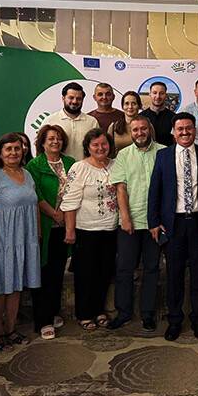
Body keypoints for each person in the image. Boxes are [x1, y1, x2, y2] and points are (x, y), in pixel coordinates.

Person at [148, 112, 198, 341]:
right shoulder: (163, 156)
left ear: (195, 130)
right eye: (180, 129)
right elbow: (155, 190)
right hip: (174, 225)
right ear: (173, 132)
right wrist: (153, 222)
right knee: (174, 276)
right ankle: (175, 321)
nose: (185, 132)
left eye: (189, 128)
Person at [0, 133, 41, 352]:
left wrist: (37, 234)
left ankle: (11, 329)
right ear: (0, 153)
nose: (13, 152)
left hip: (24, 239)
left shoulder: (27, 174)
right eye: (9, 149)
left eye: (17, 148)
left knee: (16, 286)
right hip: (1, 240)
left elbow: (34, 205)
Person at [107, 116, 165, 331]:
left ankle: (148, 314)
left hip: (155, 223)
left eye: (143, 129)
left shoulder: (164, 152)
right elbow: (120, 189)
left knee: (152, 268)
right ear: (131, 133)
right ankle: (123, 312)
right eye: (135, 130)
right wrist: (125, 218)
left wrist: (161, 220)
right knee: (124, 268)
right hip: (129, 222)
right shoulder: (123, 155)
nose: (140, 133)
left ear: (150, 130)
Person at [60, 128, 119, 330]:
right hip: (86, 230)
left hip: (110, 228)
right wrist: (70, 231)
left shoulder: (116, 165)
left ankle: (99, 310)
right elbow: (69, 201)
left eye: (104, 144)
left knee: (104, 272)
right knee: (86, 273)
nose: (100, 148)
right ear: (88, 147)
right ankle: (85, 314)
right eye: (95, 145)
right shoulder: (79, 168)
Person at [25, 125, 75, 340]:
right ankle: (42, 320)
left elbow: (75, 191)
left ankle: (53, 312)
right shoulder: (34, 165)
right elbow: (35, 194)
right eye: (51, 138)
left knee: (57, 272)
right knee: (42, 273)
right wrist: (54, 214)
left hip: (65, 226)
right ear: (42, 142)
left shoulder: (70, 163)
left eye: (59, 138)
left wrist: (65, 216)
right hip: (44, 226)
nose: (55, 141)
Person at [43, 82, 100, 161]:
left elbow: (97, 148)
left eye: (78, 99)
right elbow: (41, 149)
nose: (74, 101)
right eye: (71, 98)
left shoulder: (92, 122)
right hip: (57, 167)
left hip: (85, 167)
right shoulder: (50, 121)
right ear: (63, 98)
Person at [140, 81, 175, 147]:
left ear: (166, 95)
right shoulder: (141, 117)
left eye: (161, 93)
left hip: (167, 152)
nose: (158, 96)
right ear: (150, 94)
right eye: (154, 93)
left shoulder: (174, 118)